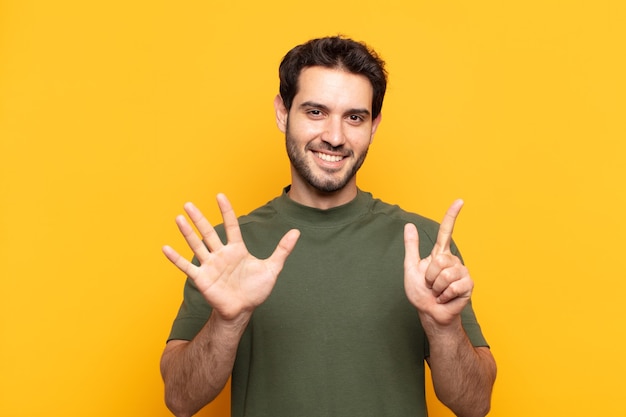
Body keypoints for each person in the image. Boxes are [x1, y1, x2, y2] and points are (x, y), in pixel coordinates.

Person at [160, 35, 497, 417]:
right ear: (283, 113)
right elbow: (180, 399)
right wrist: (227, 321)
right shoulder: (226, 250)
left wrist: (443, 329)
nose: (334, 137)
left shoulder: (424, 245)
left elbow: (476, 405)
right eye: (315, 112)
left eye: (354, 117)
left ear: (374, 126)